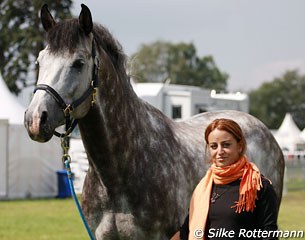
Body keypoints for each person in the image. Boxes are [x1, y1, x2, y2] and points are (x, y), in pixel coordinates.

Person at [171, 118, 279, 240]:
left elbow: (269, 235)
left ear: (240, 146)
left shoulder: (259, 186)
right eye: (214, 146)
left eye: (226, 145)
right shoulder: (204, 188)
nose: (219, 151)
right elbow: (187, 230)